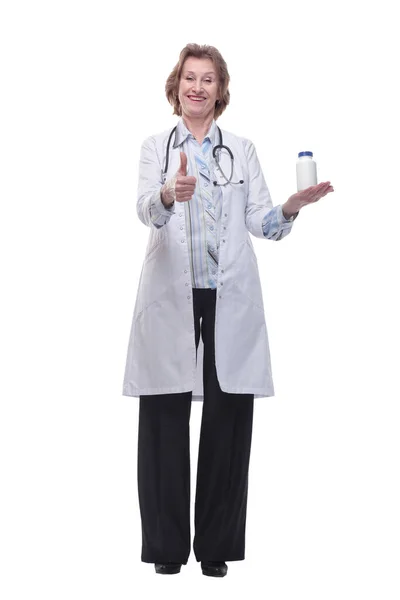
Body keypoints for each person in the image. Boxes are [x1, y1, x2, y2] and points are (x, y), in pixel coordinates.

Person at [122, 43, 334, 577]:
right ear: (177, 87)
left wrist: (291, 207)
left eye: (208, 79)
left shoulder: (242, 149)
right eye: (190, 78)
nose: (198, 87)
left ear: (221, 90)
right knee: (164, 421)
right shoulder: (156, 146)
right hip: (172, 294)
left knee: (229, 419)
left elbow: (262, 220)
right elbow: (146, 208)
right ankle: (167, 550)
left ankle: (214, 547)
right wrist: (171, 193)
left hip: (227, 296)